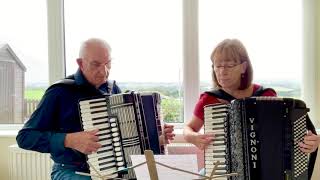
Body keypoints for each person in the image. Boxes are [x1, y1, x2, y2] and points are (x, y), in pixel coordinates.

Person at [16, 38, 174, 180]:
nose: (104, 71)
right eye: (96, 64)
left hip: (114, 170)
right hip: (71, 171)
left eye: (108, 64)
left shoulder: (113, 89)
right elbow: (25, 137)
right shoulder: (59, 92)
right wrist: (68, 140)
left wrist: (156, 137)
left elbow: (127, 139)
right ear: (80, 63)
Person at [183, 39, 318, 174]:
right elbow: (188, 128)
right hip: (223, 171)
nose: (222, 72)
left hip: (266, 171)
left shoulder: (266, 95)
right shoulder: (209, 99)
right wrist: (192, 137)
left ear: (243, 67)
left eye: (228, 66)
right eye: (217, 66)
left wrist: (309, 142)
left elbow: (288, 135)